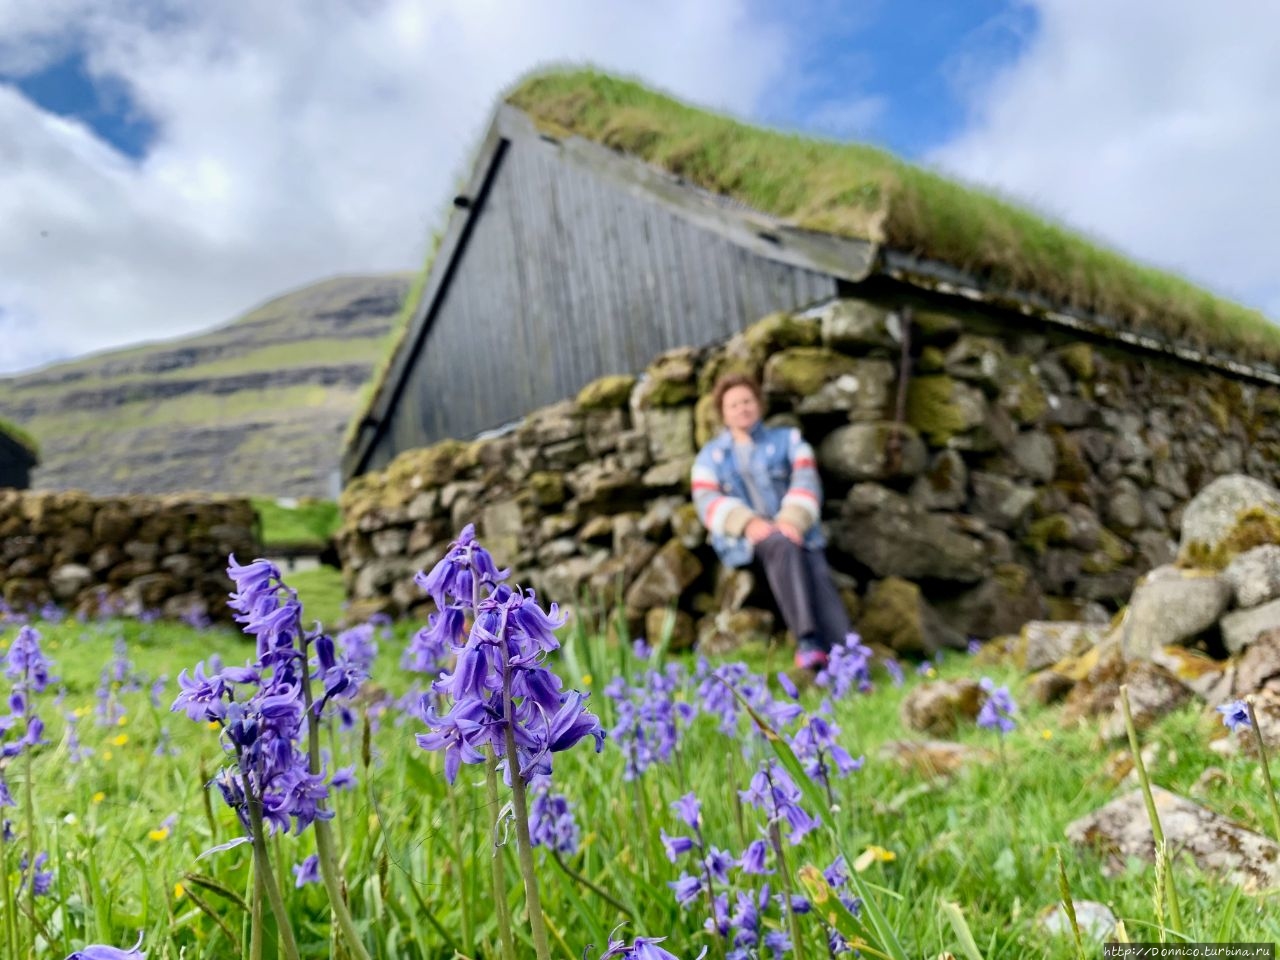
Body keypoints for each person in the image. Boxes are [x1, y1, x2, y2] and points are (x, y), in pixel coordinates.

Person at [691, 373, 851, 670]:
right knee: (779, 544)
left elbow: (807, 479)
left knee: (814, 566)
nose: (742, 408)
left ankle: (849, 657)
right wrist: (748, 523)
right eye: (734, 404)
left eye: (747, 401)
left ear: (759, 404)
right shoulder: (709, 458)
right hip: (746, 545)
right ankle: (808, 641)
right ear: (723, 414)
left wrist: (792, 520)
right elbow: (706, 501)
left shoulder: (788, 440)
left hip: (798, 533)